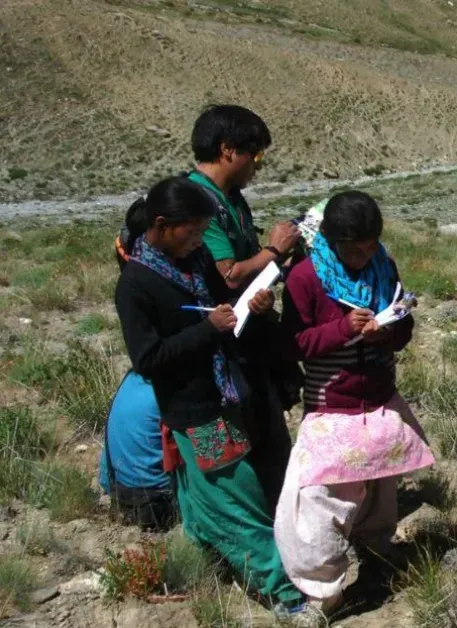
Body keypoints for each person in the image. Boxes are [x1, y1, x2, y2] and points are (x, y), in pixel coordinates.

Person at [113, 176, 302, 609]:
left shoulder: (193, 259)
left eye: (202, 232)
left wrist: (252, 306)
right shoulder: (135, 286)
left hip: (227, 391)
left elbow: (225, 297)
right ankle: (285, 594)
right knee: (237, 496)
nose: (200, 241)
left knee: (204, 497)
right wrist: (207, 329)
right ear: (161, 225)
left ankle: (199, 567)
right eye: (192, 232)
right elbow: (148, 359)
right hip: (195, 410)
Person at [275, 191, 435, 617]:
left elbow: (403, 326)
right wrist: (342, 329)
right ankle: (323, 594)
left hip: (381, 400)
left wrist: (390, 332)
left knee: (380, 493)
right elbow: (292, 345)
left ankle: (377, 564)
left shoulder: (383, 265)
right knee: (317, 502)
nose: (365, 255)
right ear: (330, 240)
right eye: (354, 248)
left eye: (370, 245)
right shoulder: (306, 278)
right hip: (332, 406)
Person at [187, 104, 303, 508]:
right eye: (255, 155)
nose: (258, 165)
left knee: (267, 431)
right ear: (227, 150)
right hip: (220, 345)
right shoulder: (198, 201)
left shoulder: (231, 199)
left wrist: (279, 262)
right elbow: (230, 274)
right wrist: (274, 250)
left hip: (248, 334)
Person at [100, 214, 176, 531]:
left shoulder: (131, 379)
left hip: (119, 493)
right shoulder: (169, 387)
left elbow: (105, 475)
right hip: (157, 501)